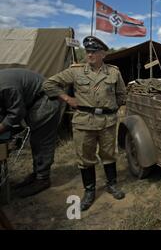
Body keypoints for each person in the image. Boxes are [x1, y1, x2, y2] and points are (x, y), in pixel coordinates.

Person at [43, 36, 126, 211]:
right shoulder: (76, 71)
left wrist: (110, 109)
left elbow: (121, 95)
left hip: (107, 122)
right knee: (85, 159)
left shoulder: (113, 72)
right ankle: (89, 192)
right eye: (88, 51)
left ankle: (112, 185)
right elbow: (49, 84)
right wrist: (67, 98)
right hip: (84, 122)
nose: (89, 55)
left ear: (103, 53)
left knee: (109, 154)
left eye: (94, 52)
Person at [0, 68, 61, 197]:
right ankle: (37, 173)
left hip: (45, 102)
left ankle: (43, 179)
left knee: (42, 141)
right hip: (34, 102)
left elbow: (16, 112)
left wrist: (2, 127)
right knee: (36, 142)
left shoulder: (6, 86)